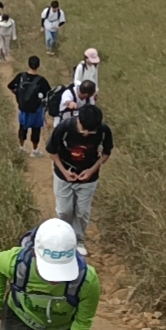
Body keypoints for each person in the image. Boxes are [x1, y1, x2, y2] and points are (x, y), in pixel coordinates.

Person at [47, 104, 113, 253]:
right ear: (79, 121)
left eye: (91, 131)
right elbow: (52, 151)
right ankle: (64, 240)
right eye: (84, 130)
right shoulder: (64, 128)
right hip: (63, 175)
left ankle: (78, 241)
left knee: (82, 211)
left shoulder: (103, 130)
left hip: (88, 178)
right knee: (64, 211)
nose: (87, 134)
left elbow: (106, 153)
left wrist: (91, 171)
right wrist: (64, 171)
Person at [8, 57, 52, 155]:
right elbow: (49, 93)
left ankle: (21, 147)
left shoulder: (21, 76)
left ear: (28, 64)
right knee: (36, 129)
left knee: (22, 127)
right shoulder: (41, 81)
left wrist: (18, 94)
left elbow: (10, 86)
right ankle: (35, 150)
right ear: (38, 65)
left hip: (23, 108)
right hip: (36, 110)